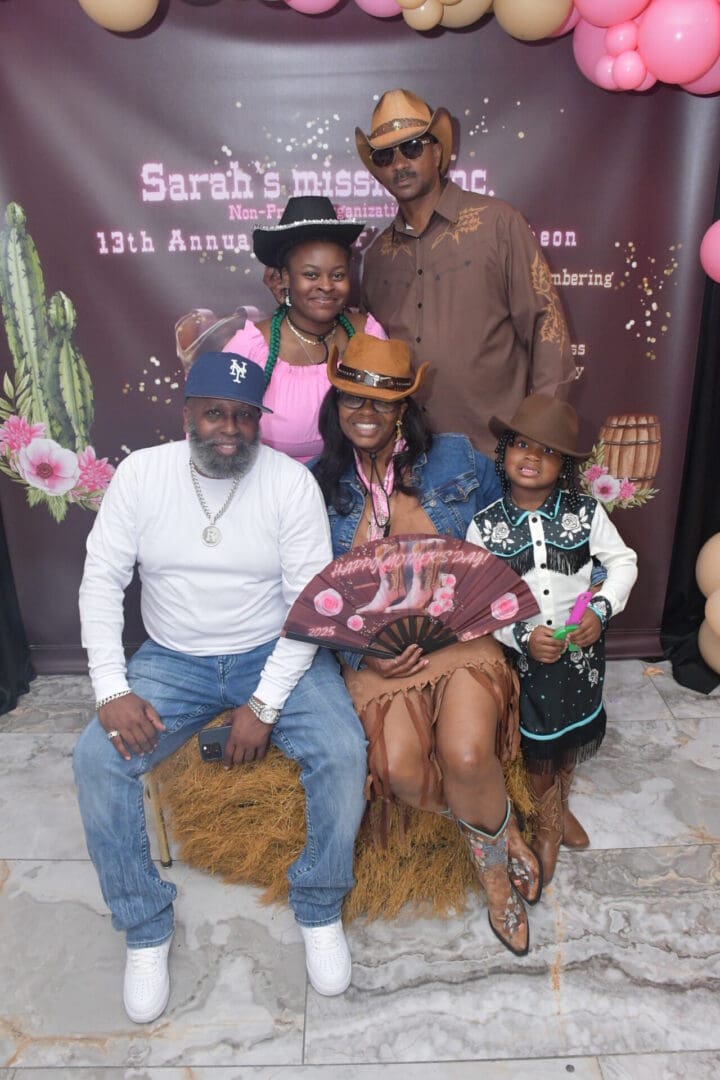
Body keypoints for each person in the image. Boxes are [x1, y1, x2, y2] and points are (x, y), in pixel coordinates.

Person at [73, 351, 368, 1023]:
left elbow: (310, 607)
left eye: (244, 415)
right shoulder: (142, 476)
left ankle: (319, 906)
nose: (229, 428)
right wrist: (111, 688)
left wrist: (261, 706)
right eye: (214, 412)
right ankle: (146, 926)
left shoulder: (289, 484)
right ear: (186, 415)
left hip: (274, 647)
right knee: (95, 760)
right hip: (171, 658)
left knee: (342, 753)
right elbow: (101, 582)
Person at [311, 333, 543, 957]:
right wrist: (364, 654)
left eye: (383, 403)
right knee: (401, 772)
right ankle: (499, 827)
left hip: (460, 638)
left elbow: (508, 539)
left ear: (404, 409)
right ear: (336, 402)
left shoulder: (456, 461)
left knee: (466, 755)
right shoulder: (316, 487)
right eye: (353, 398)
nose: (366, 413)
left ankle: (494, 876)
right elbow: (311, 596)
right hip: (378, 656)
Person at [467, 395, 637, 882]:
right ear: (504, 452)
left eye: (547, 449)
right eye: (522, 444)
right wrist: (520, 635)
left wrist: (601, 611)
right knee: (539, 740)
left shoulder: (586, 512)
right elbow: (480, 601)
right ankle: (546, 822)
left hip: (581, 651)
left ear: (564, 464)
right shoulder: (485, 526)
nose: (532, 456)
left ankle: (559, 805)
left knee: (571, 732)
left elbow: (623, 562)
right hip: (528, 657)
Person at [355, 89, 576, 457]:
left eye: (411, 148)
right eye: (385, 155)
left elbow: (545, 327)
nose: (398, 163)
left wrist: (537, 440)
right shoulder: (378, 255)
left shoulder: (497, 224)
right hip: (408, 459)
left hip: (492, 454)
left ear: (437, 151)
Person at [224, 195, 386, 462]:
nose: (326, 286)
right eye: (311, 275)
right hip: (275, 496)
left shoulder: (367, 334)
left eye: (337, 275)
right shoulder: (250, 348)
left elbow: (390, 421)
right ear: (285, 277)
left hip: (356, 493)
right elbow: (218, 435)